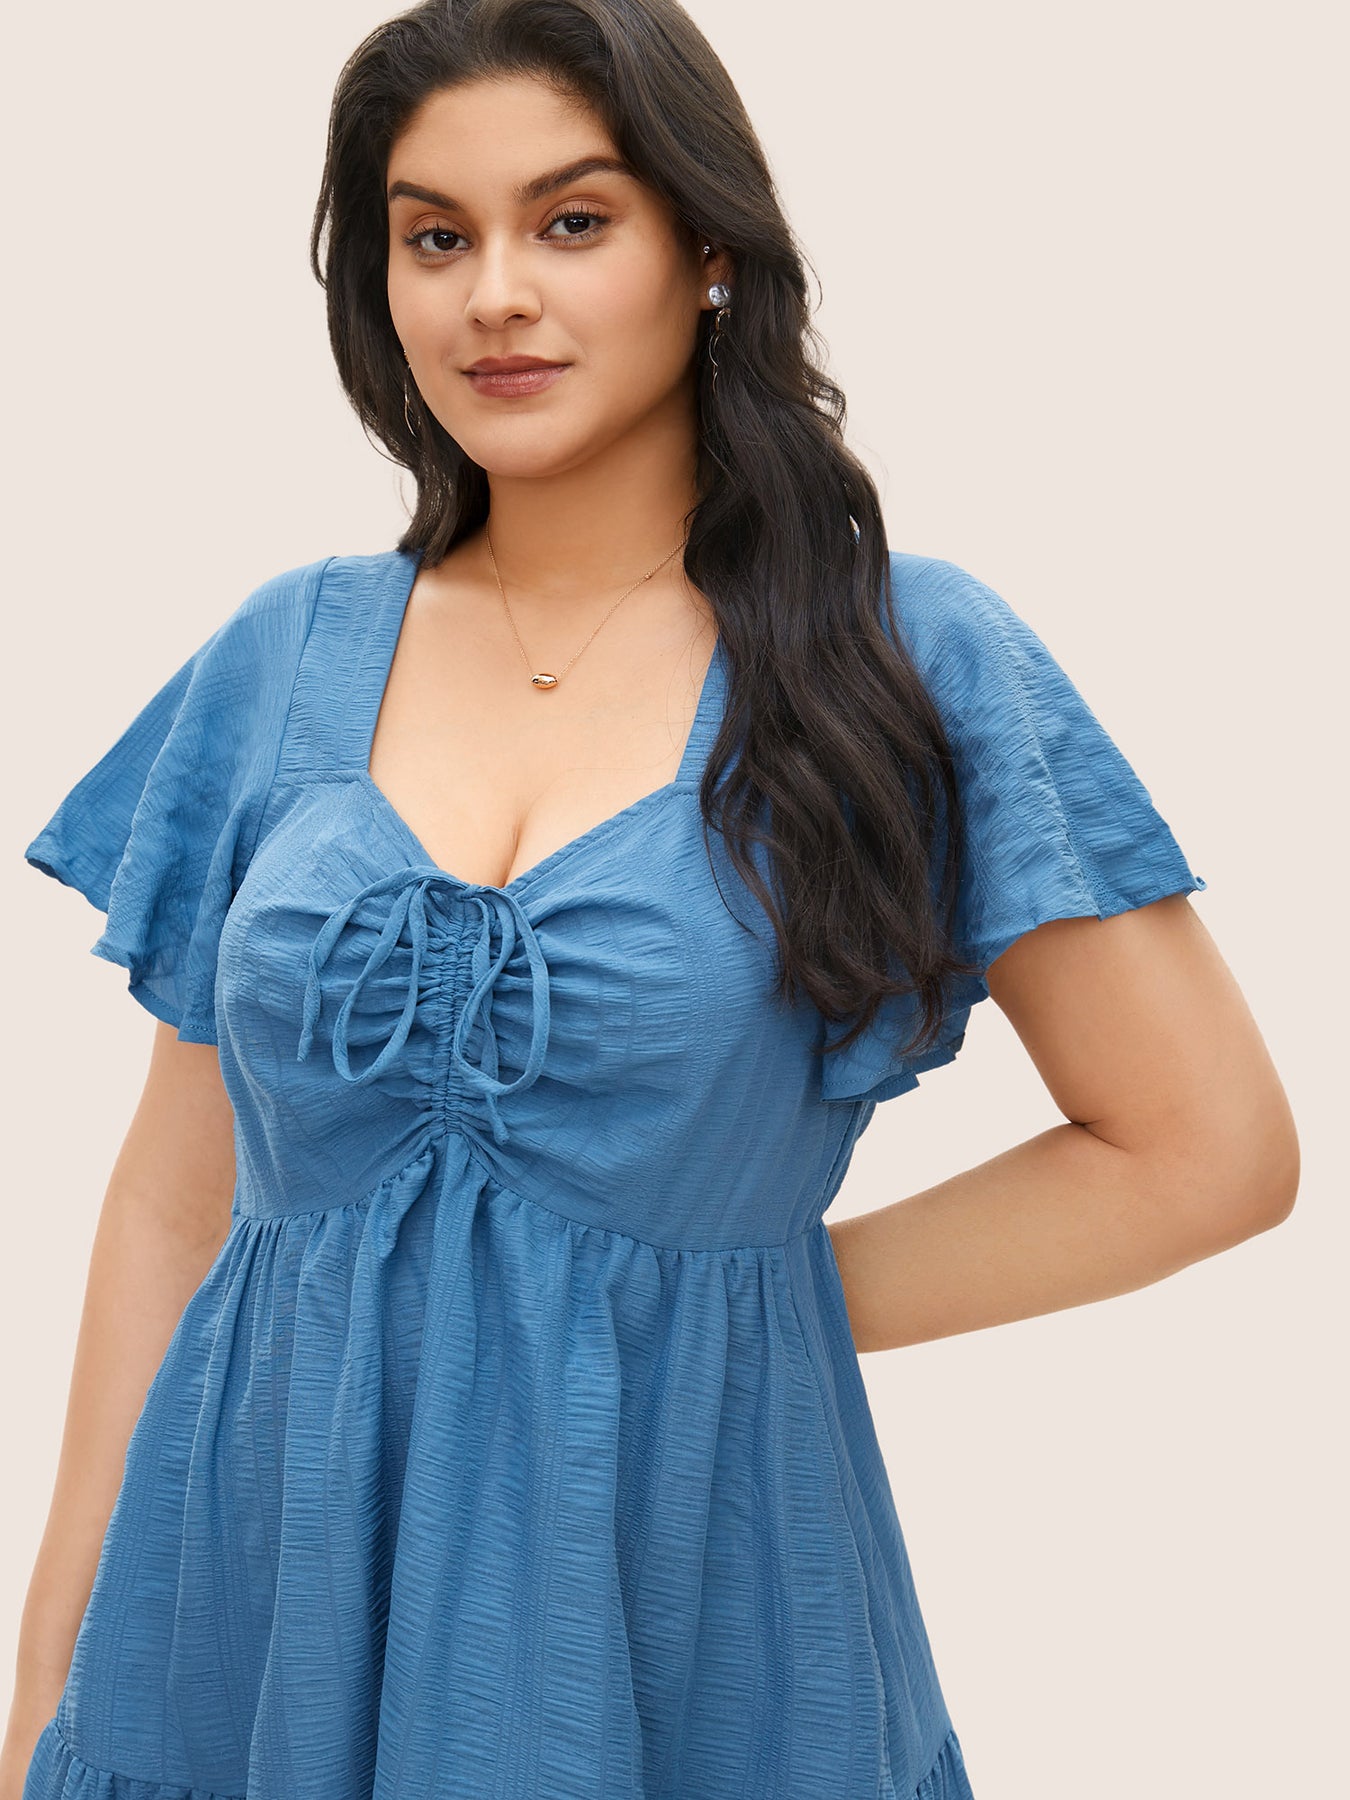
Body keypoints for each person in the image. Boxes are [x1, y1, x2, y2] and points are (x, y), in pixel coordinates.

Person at [4, 1, 1298, 1796]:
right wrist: (46, 1682)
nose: (495, 297)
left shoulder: (903, 658)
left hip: (690, 1598)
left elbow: (1205, 1149)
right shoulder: (282, 653)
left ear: (707, 252)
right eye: (434, 237)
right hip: (241, 1625)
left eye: (571, 220)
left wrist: (731, 1295)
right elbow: (173, 1200)